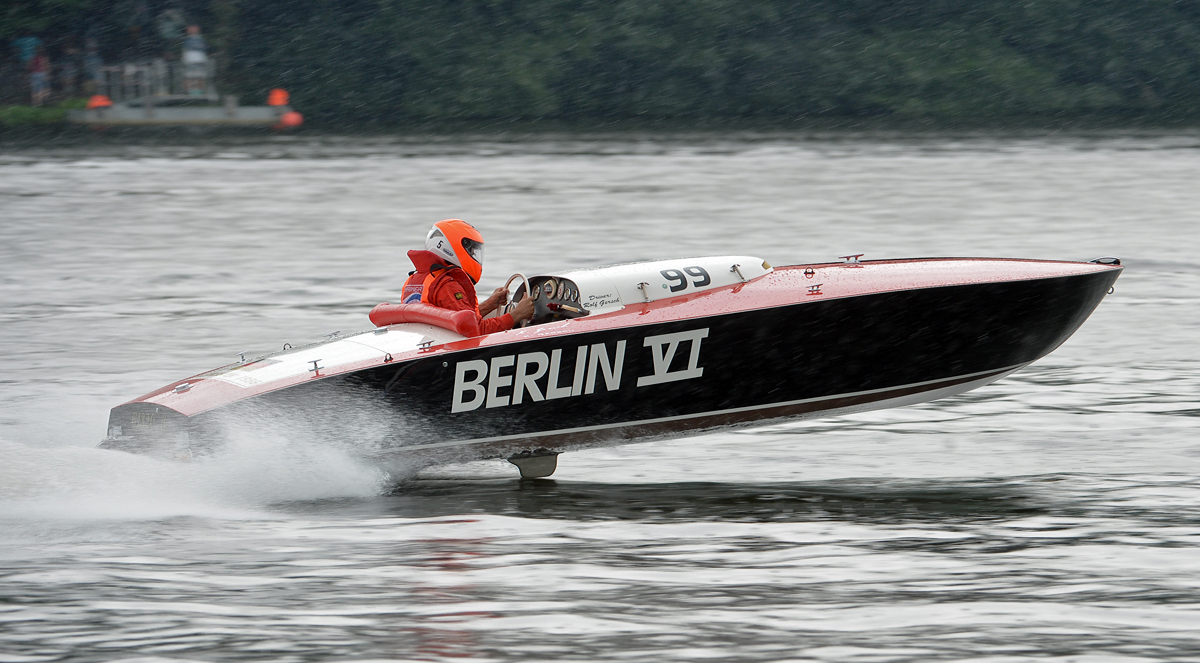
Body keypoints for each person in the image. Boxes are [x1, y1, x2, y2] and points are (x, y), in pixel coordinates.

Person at [402, 219, 534, 333]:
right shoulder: (446, 285)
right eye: (470, 250)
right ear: (451, 247)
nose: (473, 254)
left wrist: (490, 304)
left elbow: (455, 319)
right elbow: (475, 330)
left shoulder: (414, 280)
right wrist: (517, 314)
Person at [182, 25, 208, 94]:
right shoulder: (187, 39)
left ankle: (198, 91)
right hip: (190, 60)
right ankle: (189, 91)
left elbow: (203, 48)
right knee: (189, 76)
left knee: (199, 76)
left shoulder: (200, 39)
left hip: (199, 60)